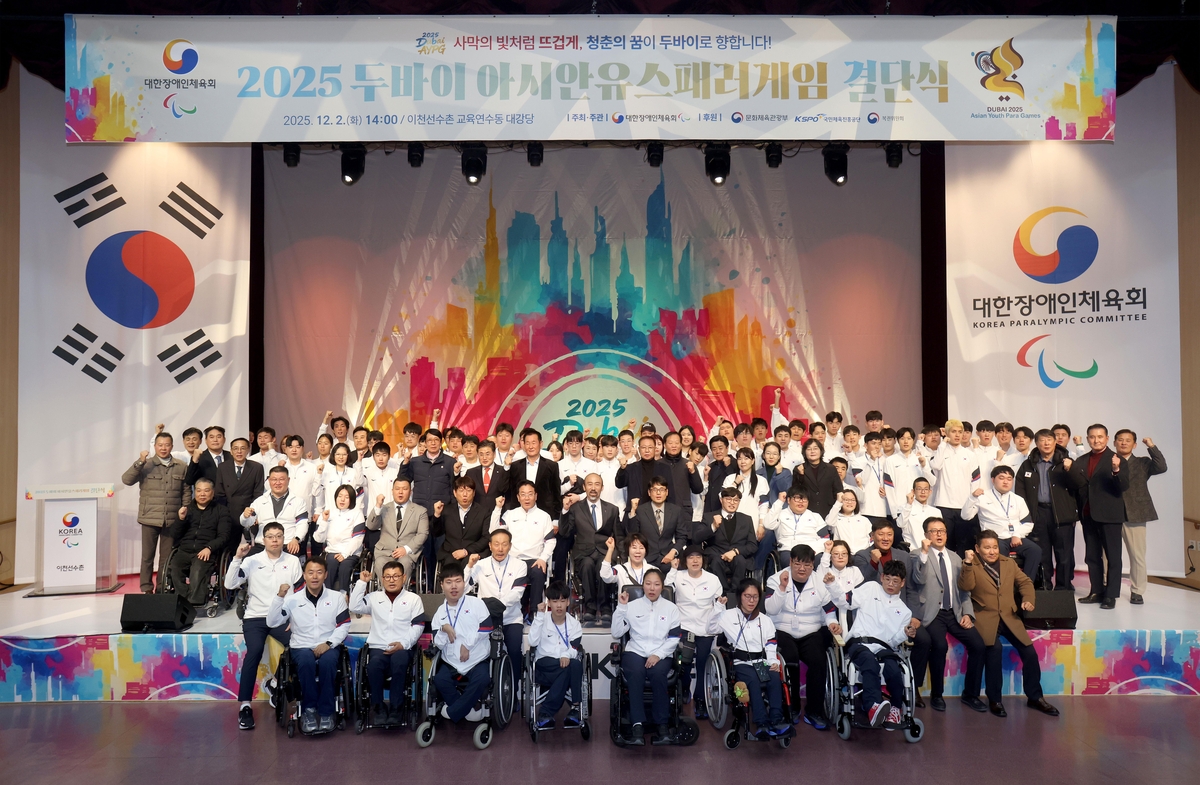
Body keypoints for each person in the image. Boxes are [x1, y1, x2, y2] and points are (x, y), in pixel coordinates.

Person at [959, 530, 1060, 717]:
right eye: (987, 548)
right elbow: (966, 586)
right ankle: (995, 700)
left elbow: (1025, 582)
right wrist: (967, 563)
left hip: (1009, 616)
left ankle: (1035, 697)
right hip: (986, 618)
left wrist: (1028, 599)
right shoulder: (970, 564)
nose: (992, 551)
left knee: (1029, 653)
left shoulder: (1009, 563)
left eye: (995, 547)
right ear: (977, 549)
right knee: (994, 652)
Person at [225, 522, 302, 730]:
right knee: (255, 651)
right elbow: (229, 584)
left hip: (282, 616)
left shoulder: (293, 561)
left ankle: (274, 683)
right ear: (263, 539)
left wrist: (294, 618)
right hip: (255, 617)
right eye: (270, 536)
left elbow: (299, 593)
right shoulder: (252, 560)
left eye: (278, 536)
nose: (274, 540)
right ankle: (245, 706)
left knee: (299, 645)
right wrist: (237, 558)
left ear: (284, 538)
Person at [908, 517, 987, 713]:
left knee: (978, 645)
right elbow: (918, 579)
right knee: (939, 646)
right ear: (926, 535)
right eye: (934, 531)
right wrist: (924, 553)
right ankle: (937, 694)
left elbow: (964, 590)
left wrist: (967, 613)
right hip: (932, 613)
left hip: (955, 612)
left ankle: (971, 694)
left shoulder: (955, 558)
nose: (939, 534)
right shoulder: (916, 555)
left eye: (942, 530)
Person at [266, 555, 351, 733]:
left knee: (328, 662)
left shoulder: (336, 598)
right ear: (304, 575)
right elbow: (272, 622)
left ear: (325, 575)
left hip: (328, 645)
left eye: (319, 572)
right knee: (305, 662)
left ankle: (327, 712)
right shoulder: (292, 600)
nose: (314, 576)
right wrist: (279, 597)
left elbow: (344, 625)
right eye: (310, 572)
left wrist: (329, 643)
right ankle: (308, 710)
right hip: (301, 646)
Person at [832, 560, 919, 729]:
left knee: (894, 669)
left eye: (895, 581)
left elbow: (893, 642)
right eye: (887, 579)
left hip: (884, 647)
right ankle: (872, 707)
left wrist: (905, 633)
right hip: (860, 642)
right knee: (869, 663)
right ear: (882, 577)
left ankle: (895, 709)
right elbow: (845, 602)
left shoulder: (905, 612)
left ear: (902, 583)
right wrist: (831, 585)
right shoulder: (870, 588)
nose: (890, 584)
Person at [764, 544, 841, 729]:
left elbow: (829, 610)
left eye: (807, 565)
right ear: (790, 562)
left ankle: (814, 711)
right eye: (798, 563)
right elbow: (770, 609)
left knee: (818, 660)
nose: (802, 569)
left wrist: (832, 622)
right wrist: (782, 588)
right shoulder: (776, 579)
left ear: (812, 564)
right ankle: (792, 708)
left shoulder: (819, 582)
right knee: (789, 659)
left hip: (811, 630)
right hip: (782, 629)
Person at [707, 579, 793, 739]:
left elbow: (771, 645)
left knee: (774, 678)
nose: (751, 600)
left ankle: (776, 719)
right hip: (740, 663)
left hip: (761, 662)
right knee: (752, 679)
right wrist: (718, 608)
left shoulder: (765, 620)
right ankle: (761, 723)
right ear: (740, 596)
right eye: (747, 596)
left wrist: (773, 662)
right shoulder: (728, 615)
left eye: (755, 597)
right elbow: (710, 628)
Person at [349, 560, 425, 725]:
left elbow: (418, 626)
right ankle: (379, 708)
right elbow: (354, 607)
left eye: (396, 576)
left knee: (399, 661)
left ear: (404, 577)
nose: (392, 580)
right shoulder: (374, 597)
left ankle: (397, 708)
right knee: (373, 665)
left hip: (403, 647)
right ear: (382, 579)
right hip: (378, 647)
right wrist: (362, 583)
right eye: (388, 577)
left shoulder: (413, 599)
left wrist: (403, 644)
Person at [611, 567, 681, 746]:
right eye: (648, 584)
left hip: (661, 653)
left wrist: (658, 654)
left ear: (662, 587)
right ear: (642, 585)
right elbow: (616, 632)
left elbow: (674, 639)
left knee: (658, 674)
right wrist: (621, 607)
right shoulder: (632, 606)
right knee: (636, 673)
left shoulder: (671, 609)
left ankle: (662, 726)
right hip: (635, 651)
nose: (652, 588)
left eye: (656, 584)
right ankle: (637, 726)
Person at [1067, 424, 1130, 609]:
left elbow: (1123, 486)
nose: (1096, 440)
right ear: (1087, 439)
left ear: (1107, 439)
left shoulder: (1117, 459)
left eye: (1100, 437)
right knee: (1092, 556)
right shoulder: (1081, 460)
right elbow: (1078, 486)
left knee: (1113, 557)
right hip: (1088, 514)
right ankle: (1096, 591)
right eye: (1092, 437)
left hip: (1110, 516)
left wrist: (1116, 470)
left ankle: (1111, 595)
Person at [123, 432, 191, 593]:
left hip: (172, 519)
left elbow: (186, 490)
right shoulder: (146, 465)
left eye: (167, 445)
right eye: (160, 445)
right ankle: (146, 588)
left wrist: (185, 508)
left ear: (172, 446)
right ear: (155, 446)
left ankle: (162, 587)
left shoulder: (181, 466)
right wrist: (140, 461)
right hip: (149, 518)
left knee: (166, 557)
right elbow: (127, 480)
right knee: (147, 556)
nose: (163, 448)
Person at [1014, 430, 1080, 591]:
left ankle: (1064, 587)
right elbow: (1020, 492)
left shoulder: (1066, 462)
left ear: (1055, 442)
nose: (1046, 443)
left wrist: (1070, 469)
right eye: (1042, 440)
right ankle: (1044, 584)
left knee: (1064, 553)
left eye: (1049, 439)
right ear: (1036, 443)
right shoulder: (1028, 464)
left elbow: (1079, 485)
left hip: (1062, 514)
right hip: (1038, 514)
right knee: (1042, 552)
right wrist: (1027, 516)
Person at [665, 544, 724, 717]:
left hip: (705, 627)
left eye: (698, 557)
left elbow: (719, 604)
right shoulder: (678, 576)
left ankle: (700, 699)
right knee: (684, 661)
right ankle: (684, 689)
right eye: (691, 557)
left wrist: (720, 606)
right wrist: (673, 570)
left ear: (703, 560)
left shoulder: (713, 579)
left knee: (703, 663)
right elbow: (666, 589)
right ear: (685, 561)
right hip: (684, 625)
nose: (695, 560)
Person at [430, 564, 494, 724]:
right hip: (451, 661)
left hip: (476, 659)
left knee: (482, 679)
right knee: (440, 680)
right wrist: (444, 629)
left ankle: (453, 711)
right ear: (442, 585)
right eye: (449, 582)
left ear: (463, 583)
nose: (454, 586)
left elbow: (487, 627)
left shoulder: (476, 603)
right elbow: (438, 644)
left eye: (458, 581)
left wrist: (467, 645)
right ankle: (467, 711)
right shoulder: (440, 612)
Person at [558, 473, 621, 626]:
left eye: (597, 484)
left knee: (603, 566)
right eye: (590, 484)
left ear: (602, 488)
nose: (593, 488)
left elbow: (619, 536)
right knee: (587, 565)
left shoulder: (612, 509)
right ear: (584, 487)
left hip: (604, 552)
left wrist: (623, 559)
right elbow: (565, 532)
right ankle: (590, 607)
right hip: (583, 553)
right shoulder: (575, 508)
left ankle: (605, 608)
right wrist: (565, 511)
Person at [467, 529, 528, 685]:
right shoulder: (480, 565)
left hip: (511, 618)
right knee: (483, 653)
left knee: (514, 650)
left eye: (504, 544)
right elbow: (465, 588)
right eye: (496, 544)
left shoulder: (520, 565)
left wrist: (494, 606)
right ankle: (485, 688)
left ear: (510, 546)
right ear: (490, 546)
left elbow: (517, 593)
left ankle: (513, 690)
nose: (500, 549)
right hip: (486, 619)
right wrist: (469, 566)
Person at [1114, 430, 1167, 605]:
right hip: (1111, 513)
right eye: (1120, 440)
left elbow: (1161, 467)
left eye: (1128, 440)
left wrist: (1151, 446)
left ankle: (1137, 590)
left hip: (1135, 513)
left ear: (1134, 444)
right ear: (1114, 443)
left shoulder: (1142, 463)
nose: (1124, 443)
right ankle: (1107, 587)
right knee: (1107, 555)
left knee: (1137, 556)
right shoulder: (1108, 461)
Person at [961, 466, 1041, 582]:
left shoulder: (1018, 499)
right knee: (999, 551)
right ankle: (1003, 585)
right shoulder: (982, 497)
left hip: (1015, 537)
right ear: (993, 480)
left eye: (1009, 479)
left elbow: (1028, 523)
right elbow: (965, 516)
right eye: (1002, 478)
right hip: (995, 538)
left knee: (1035, 550)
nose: (1006, 482)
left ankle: (1026, 584)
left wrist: (1017, 535)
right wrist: (972, 498)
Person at [490, 479, 555, 613]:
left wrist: (543, 558)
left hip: (534, 560)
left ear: (536, 496)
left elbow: (550, 541)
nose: (527, 498)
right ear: (518, 497)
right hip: (513, 560)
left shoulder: (544, 516)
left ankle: (534, 612)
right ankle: (512, 612)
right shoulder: (510, 514)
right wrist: (498, 509)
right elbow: (494, 532)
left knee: (538, 572)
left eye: (530, 494)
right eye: (523, 494)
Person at [528, 580, 585, 730]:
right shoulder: (542, 619)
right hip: (544, 666)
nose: (559, 605)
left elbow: (575, 647)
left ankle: (546, 712)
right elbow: (532, 642)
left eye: (562, 601)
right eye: (554, 601)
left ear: (568, 602)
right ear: (549, 603)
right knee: (572, 666)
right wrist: (539, 617)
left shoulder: (575, 625)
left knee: (572, 665)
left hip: (564, 665)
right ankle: (575, 708)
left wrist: (565, 655)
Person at [167, 477, 231, 606]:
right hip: (184, 550)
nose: (202, 494)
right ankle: (183, 600)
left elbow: (224, 536)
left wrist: (209, 547)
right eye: (199, 490)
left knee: (197, 571)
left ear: (212, 492)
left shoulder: (221, 511)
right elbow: (174, 534)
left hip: (205, 551)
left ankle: (194, 603)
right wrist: (181, 519)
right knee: (175, 569)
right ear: (194, 492)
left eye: (206, 490)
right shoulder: (187, 509)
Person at [930, 419, 982, 554]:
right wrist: (942, 445)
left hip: (964, 506)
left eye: (960, 432)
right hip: (943, 504)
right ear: (947, 433)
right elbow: (935, 465)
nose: (958, 435)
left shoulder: (970, 454)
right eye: (954, 432)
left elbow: (976, 478)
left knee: (964, 545)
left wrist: (972, 502)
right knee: (945, 544)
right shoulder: (940, 452)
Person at [365, 477, 429, 582]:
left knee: (405, 563)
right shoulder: (384, 508)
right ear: (392, 491)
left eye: (404, 489)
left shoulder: (420, 511)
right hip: (385, 552)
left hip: (407, 554)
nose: (400, 492)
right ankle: (385, 591)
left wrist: (406, 549)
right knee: (380, 563)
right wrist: (378, 506)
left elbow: (423, 534)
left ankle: (401, 591)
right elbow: (371, 526)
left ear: (410, 491)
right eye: (397, 489)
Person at [696, 487, 758, 593]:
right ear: (721, 500)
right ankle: (723, 593)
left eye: (736, 500)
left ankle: (736, 594)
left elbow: (753, 546)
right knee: (716, 561)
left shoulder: (746, 519)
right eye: (728, 499)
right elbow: (697, 538)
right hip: (716, 556)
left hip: (738, 557)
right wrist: (713, 526)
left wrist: (735, 552)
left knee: (740, 560)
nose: (732, 503)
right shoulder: (709, 517)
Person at [242, 466, 310, 553]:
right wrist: (245, 516)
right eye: (274, 479)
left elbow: (302, 524)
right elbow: (247, 523)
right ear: (269, 480)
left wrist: (296, 539)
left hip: (288, 544)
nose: (278, 483)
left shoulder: (299, 502)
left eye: (281, 479)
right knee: (247, 560)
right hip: (263, 545)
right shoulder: (259, 501)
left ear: (288, 480)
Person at [313, 484, 366, 593]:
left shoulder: (357, 514)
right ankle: (327, 594)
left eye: (346, 497)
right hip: (332, 551)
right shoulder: (328, 513)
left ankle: (344, 594)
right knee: (330, 565)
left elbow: (357, 539)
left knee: (345, 567)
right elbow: (318, 539)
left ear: (351, 499)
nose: (342, 500)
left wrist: (345, 554)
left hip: (351, 553)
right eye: (340, 496)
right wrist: (324, 521)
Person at [626, 476, 688, 568]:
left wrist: (673, 552)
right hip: (646, 558)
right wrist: (633, 511)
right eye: (654, 489)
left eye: (662, 489)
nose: (658, 493)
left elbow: (682, 537)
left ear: (666, 492)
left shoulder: (676, 510)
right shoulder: (641, 510)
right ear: (649, 492)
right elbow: (632, 534)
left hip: (668, 557)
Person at [434, 475, 492, 570]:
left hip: (473, 553)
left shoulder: (483, 512)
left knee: (469, 563)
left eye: (468, 490)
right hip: (450, 554)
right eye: (461, 490)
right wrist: (437, 515)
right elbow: (436, 533)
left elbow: (486, 537)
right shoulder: (446, 510)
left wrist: (466, 551)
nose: (465, 494)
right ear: (455, 493)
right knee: (451, 568)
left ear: (474, 493)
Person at [765, 486, 832, 560]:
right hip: (788, 550)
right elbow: (768, 524)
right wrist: (780, 502)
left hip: (811, 550)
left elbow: (825, 538)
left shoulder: (815, 516)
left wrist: (815, 550)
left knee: (820, 560)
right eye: (797, 498)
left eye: (804, 499)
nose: (801, 502)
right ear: (789, 500)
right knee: (788, 560)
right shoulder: (780, 515)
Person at [215, 437, 266, 529]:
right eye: (235, 448)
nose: (239, 451)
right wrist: (223, 513)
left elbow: (258, 493)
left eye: (243, 448)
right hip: (228, 513)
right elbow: (219, 493)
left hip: (248, 512)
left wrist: (252, 512)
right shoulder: (223, 467)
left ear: (248, 450)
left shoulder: (256, 467)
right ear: (231, 451)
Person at [615, 435, 672, 516]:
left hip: (658, 513)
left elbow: (670, 492)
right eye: (643, 447)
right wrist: (622, 469)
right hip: (635, 512)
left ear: (655, 449)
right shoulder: (630, 468)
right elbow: (619, 484)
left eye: (650, 447)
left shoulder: (665, 468)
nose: (647, 450)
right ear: (639, 449)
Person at [660, 431, 705, 521]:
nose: (674, 446)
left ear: (681, 445)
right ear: (664, 445)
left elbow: (698, 489)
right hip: (662, 510)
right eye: (670, 443)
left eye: (677, 443)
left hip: (684, 512)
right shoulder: (658, 465)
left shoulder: (688, 464)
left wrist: (693, 472)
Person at [896, 477, 941, 552]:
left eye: (926, 489)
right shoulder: (905, 508)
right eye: (919, 489)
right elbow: (900, 524)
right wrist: (909, 504)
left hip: (932, 552)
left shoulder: (936, 512)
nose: (923, 492)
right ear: (913, 491)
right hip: (912, 552)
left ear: (930, 492)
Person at [466, 440, 509, 510]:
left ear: (494, 454)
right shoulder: (471, 473)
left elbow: (506, 490)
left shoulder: (503, 471)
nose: (484, 458)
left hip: (498, 511)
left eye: (487, 454)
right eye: (481, 454)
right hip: (477, 513)